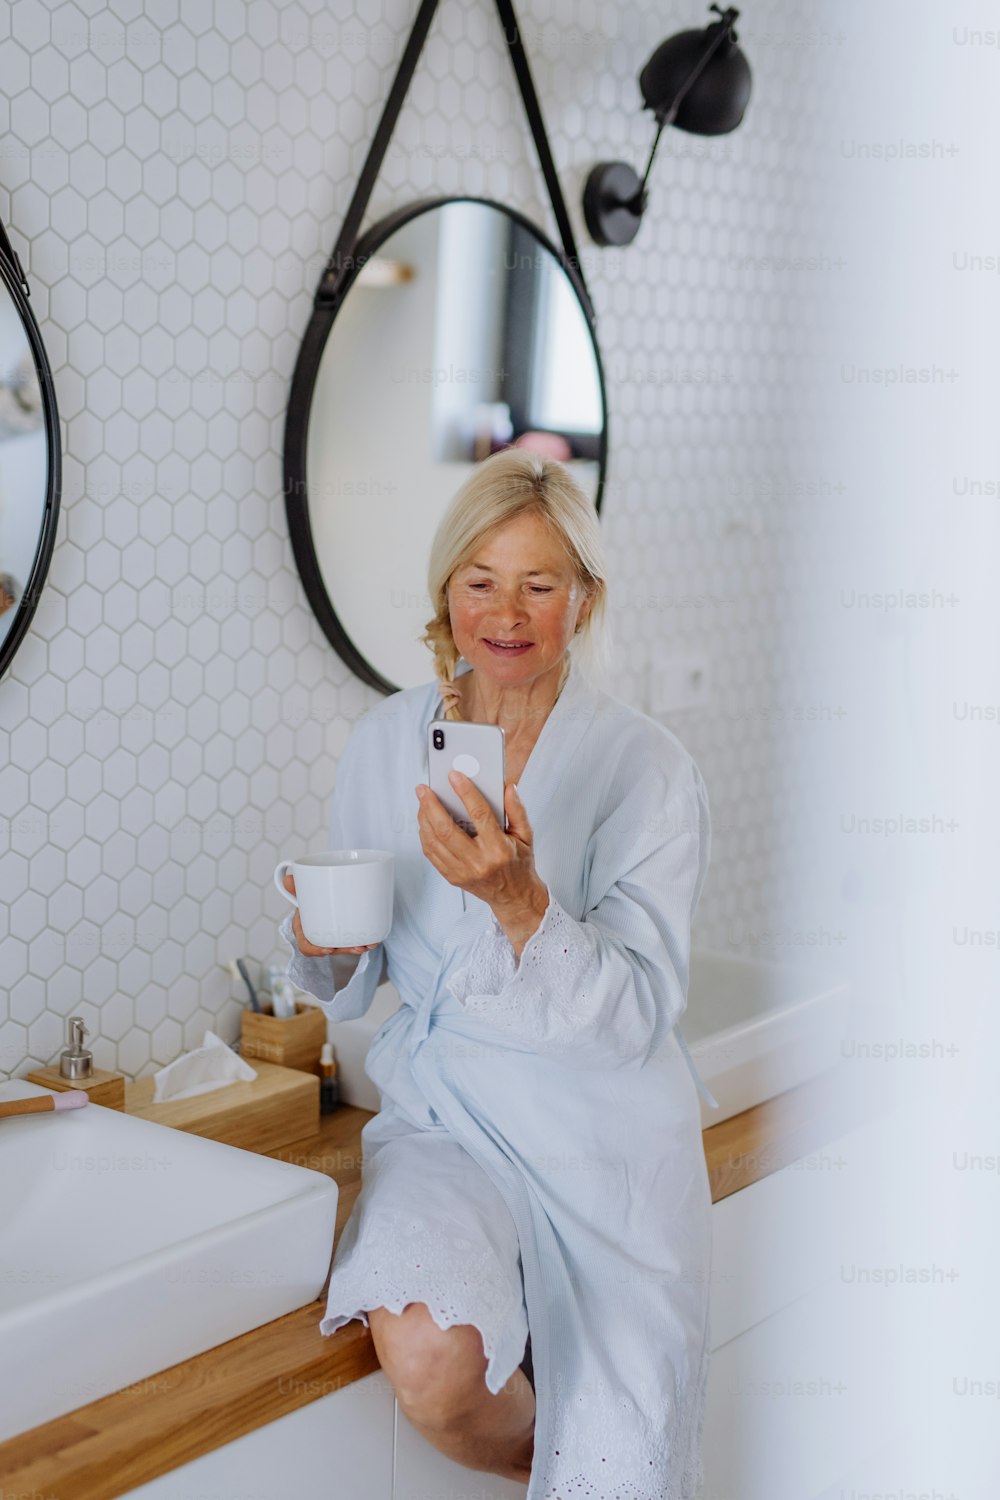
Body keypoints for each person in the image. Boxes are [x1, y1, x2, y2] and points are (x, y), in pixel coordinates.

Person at [279, 447, 717, 1497]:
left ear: (586, 598)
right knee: (433, 1369)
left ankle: (608, 1454)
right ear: (445, 592)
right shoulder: (390, 742)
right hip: (445, 1118)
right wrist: (325, 948)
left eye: (540, 583)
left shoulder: (645, 769)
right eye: (480, 581)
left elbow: (639, 1015)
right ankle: (575, 1453)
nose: (506, 612)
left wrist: (521, 901)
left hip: (597, 1131)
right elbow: (349, 975)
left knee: (631, 1431)